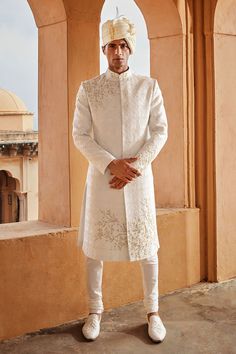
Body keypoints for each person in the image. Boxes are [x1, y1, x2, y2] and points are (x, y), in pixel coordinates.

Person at [72, 15, 168, 343]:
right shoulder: (88, 89)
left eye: (124, 45)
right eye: (112, 45)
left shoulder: (149, 87)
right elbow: (80, 135)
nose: (118, 51)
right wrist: (111, 164)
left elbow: (159, 131)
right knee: (94, 250)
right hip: (103, 180)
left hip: (139, 179)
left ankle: (153, 312)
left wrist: (136, 166)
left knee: (148, 248)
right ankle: (95, 311)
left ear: (131, 49)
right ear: (104, 49)